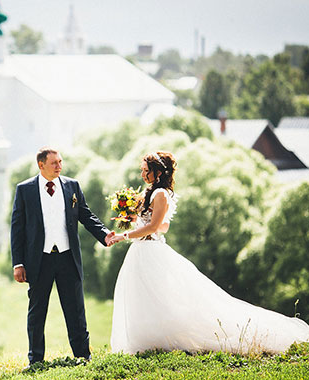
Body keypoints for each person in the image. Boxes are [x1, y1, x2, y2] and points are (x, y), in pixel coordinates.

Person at [107, 151, 309, 354]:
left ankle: (164, 339)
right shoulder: (149, 192)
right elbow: (161, 225)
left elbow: (154, 227)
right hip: (140, 251)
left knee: (165, 296)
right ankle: (146, 342)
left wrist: (124, 236)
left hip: (151, 251)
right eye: (142, 171)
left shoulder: (160, 194)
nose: (142, 175)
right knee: (143, 296)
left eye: (146, 171)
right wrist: (128, 215)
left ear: (158, 172)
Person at [10, 147, 114, 365]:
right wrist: (18, 263)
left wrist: (104, 235)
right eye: (54, 163)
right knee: (37, 313)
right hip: (39, 260)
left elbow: (85, 215)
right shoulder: (25, 190)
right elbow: (17, 228)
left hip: (68, 258)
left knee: (75, 310)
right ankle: (35, 360)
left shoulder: (72, 186)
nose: (59, 166)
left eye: (60, 161)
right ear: (41, 165)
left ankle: (83, 356)